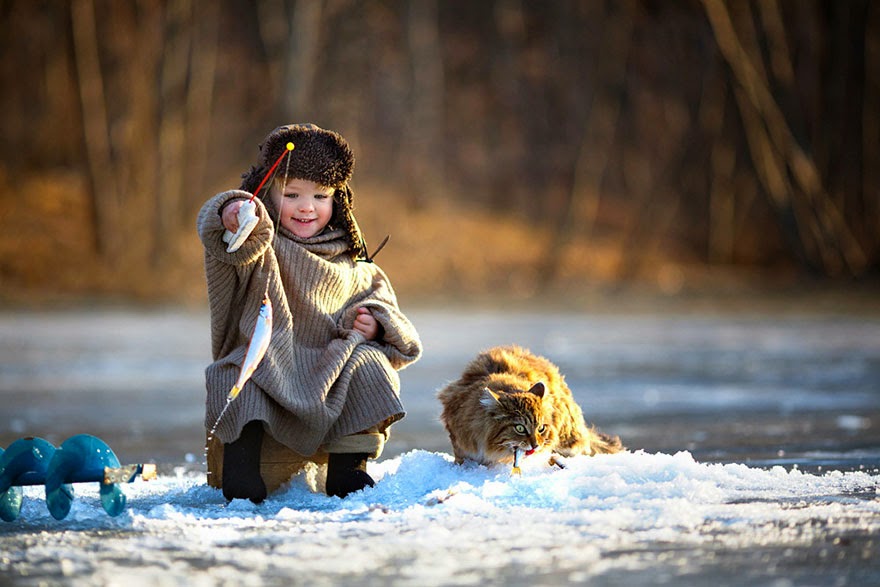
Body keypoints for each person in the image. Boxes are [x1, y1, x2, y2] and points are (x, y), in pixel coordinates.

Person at [196, 123, 422, 503]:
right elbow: (222, 236)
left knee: (370, 365)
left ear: (339, 201)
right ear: (269, 192)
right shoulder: (260, 240)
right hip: (271, 360)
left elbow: (393, 317)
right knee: (238, 377)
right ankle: (242, 473)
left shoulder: (351, 258)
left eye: (321, 196)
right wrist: (233, 211)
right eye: (292, 194)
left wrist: (375, 323)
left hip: (330, 366)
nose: (307, 206)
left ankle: (348, 472)